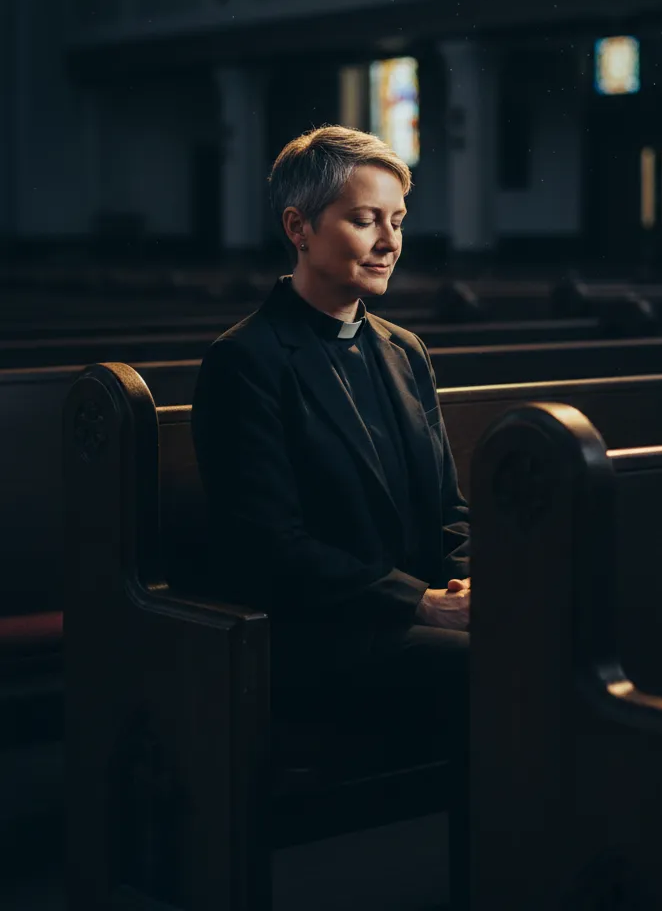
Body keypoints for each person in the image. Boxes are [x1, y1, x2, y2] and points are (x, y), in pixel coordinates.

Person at [191, 125, 470, 890]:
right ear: (299, 228)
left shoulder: (403, 349)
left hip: (411, 618)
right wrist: (421, 602)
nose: (387, 241)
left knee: (553, 636)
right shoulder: (244, 361)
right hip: (315, 634)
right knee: (505, 666)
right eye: (363, 219)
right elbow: (265, 544)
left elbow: (449, 509)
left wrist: (468, 582)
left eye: (398, 221)